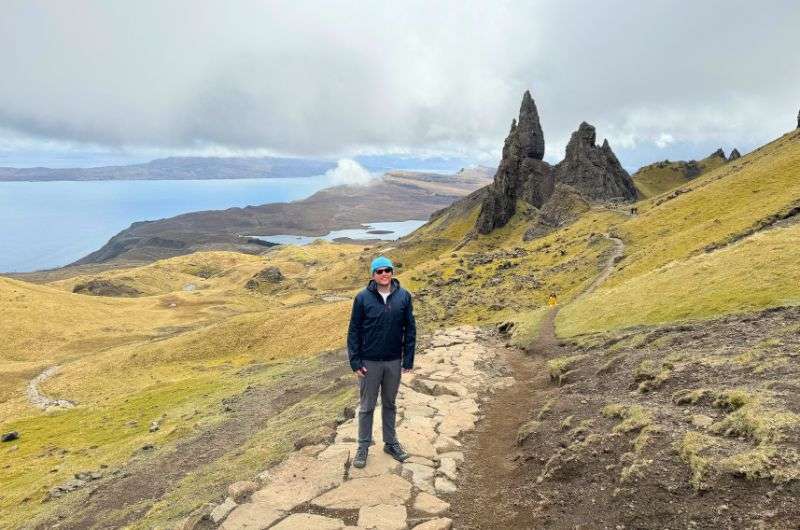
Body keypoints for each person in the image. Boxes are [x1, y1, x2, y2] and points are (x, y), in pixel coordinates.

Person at [347, 255, 416, 468]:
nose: (384, 274)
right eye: (379, 271)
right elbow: (354, 331)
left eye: (387, 270)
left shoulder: (404, 296)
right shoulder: (362, 298)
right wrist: (355, 362)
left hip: (394, 361)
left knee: (390, 404)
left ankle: (390, 442)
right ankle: (363, 446)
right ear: (373, 275)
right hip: (369, 361)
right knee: (367, 406)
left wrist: (408, 358)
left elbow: (410, 328)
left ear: (392, 272)